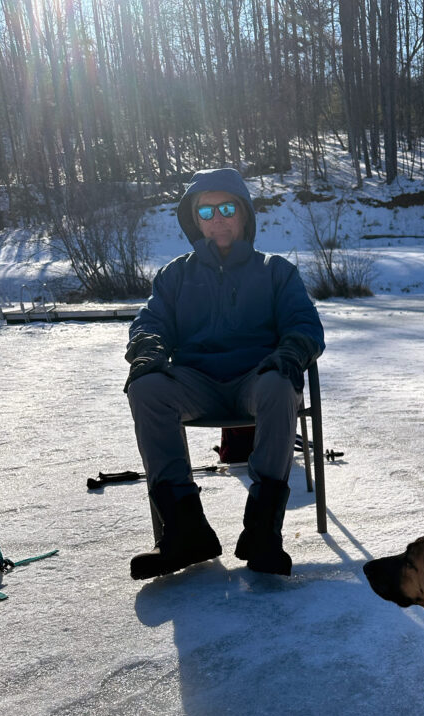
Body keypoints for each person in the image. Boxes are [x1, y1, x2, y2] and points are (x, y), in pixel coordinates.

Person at [124, 167, 324, 580]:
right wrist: (149, 349)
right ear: (194, 219)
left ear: (245, 214)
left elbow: (304, 325)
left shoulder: (275, 271)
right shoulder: (175, 275)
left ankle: (263, 531)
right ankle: (185, 530)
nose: (217, 218)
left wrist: (288, 354)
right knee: (145, 388)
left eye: (228, 207)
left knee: (279, 384)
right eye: (207, 210)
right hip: (196, 381)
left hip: (257, 376)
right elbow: (150, 323)